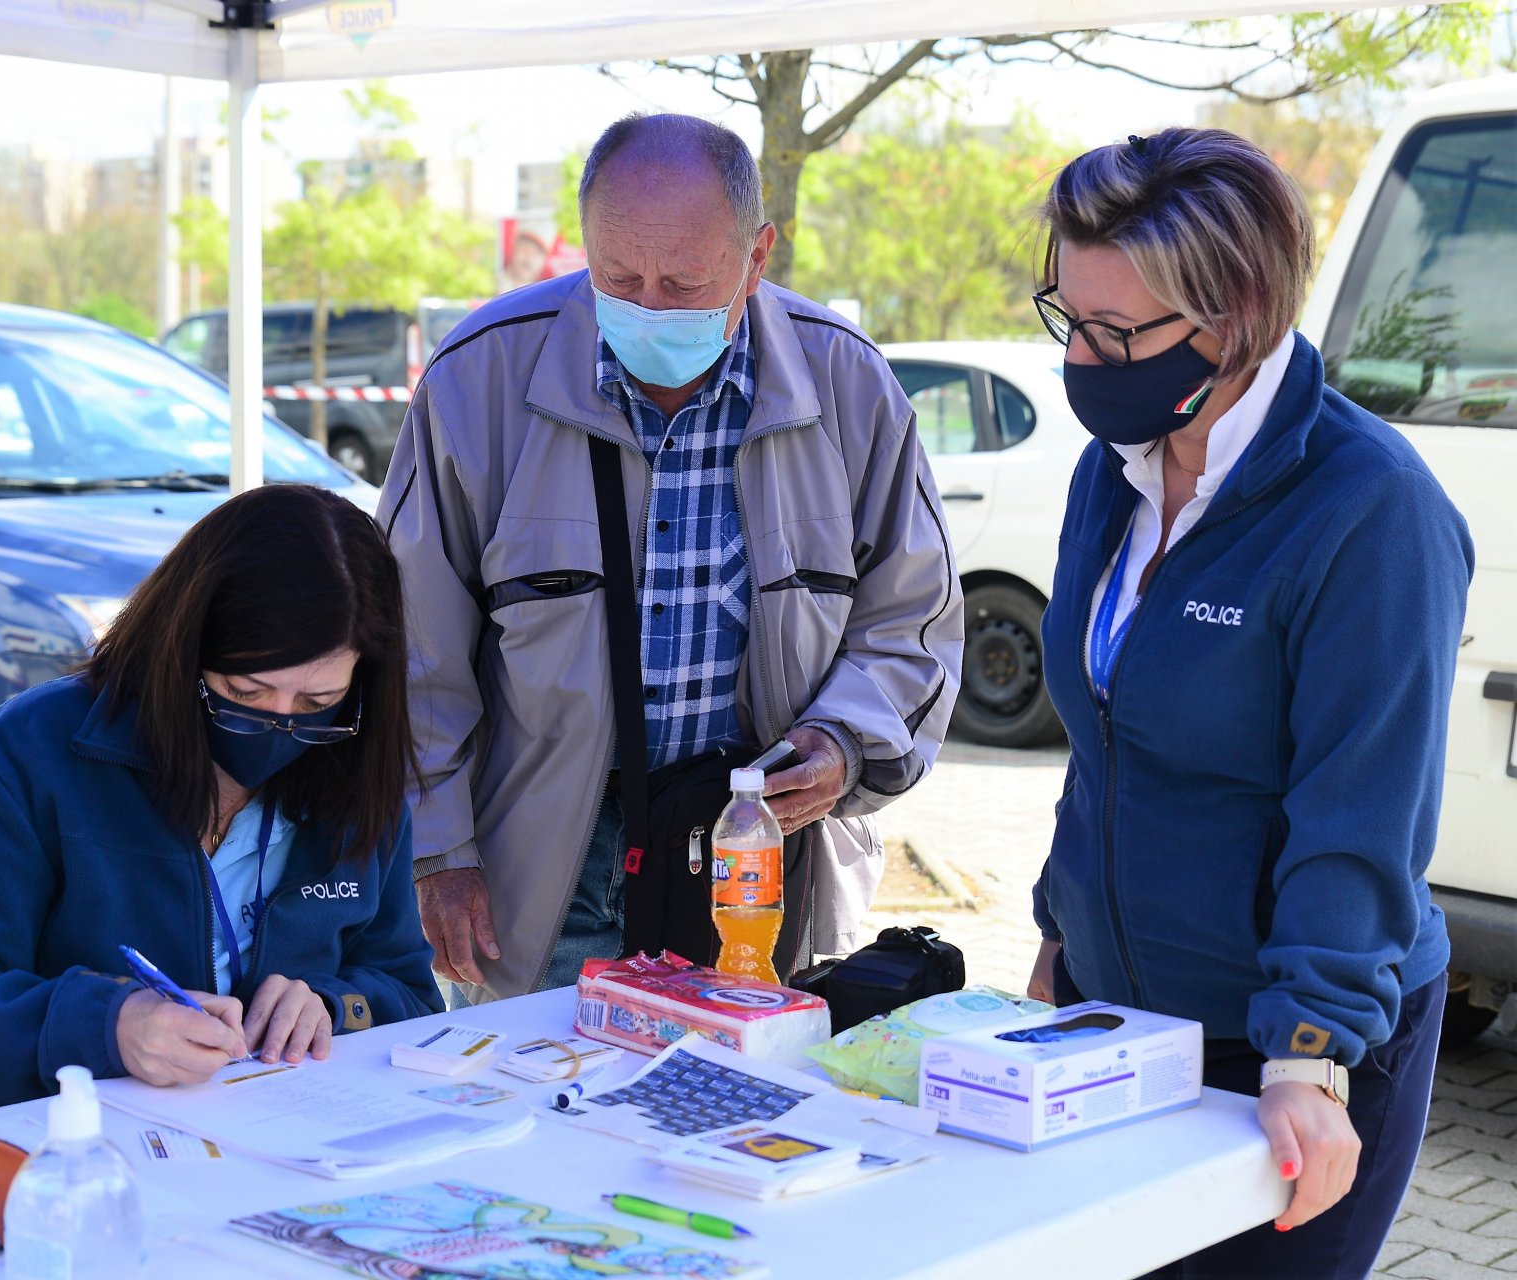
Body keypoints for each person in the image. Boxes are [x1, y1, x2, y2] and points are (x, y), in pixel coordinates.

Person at [381, 112, 963, 1003]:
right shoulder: (479, 377)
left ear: (758, 254)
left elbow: (912, 617)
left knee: (752, 1117)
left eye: (684, 281)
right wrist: (439, 850)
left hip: (762, 855)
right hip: (543, 866)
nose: (648, 306)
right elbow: (410, 646)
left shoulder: (847, 382)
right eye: (618, 275)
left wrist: (843, 740)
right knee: (549, 1122)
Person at [1025, 129, 1473, 1278]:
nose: (1081, 355)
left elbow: (1360, 819)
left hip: (1292, 1047)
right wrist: (1058, 932)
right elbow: (1106, 736)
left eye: (1114, 332)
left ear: (1230, 319)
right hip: (1115, 1019)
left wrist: (1308, 1052)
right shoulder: (1113, 470)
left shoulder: (1371, 512)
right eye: (1066, 315)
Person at [0, 484, 442, 1122]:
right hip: (64, 1158)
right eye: (245, 692)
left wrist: (335, 1008)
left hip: (283, 1144)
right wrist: (107, 1028)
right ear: (181, 650)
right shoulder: (25, 757)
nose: (280, 728)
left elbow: (410, 996)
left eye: (317, 705)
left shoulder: (353, 763)